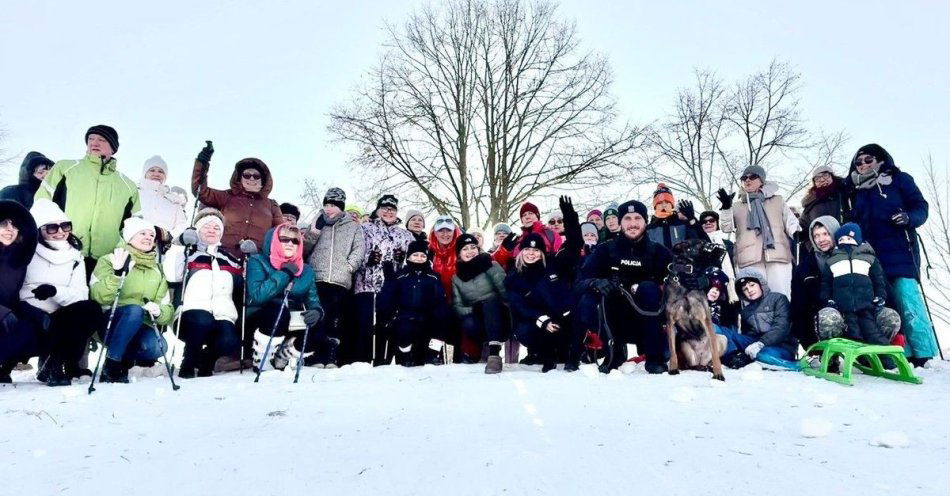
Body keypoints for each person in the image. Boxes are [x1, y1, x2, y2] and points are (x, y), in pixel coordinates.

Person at [845, 144, 936, 366]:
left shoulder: (898, 179)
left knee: (907, 297)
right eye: (859, 162)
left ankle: (924, 352)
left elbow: (920, 206)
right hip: (872, 255)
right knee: (886, 303)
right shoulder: (855, 191)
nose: (864, 165)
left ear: (881, 160)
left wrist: (909, 217)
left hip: (900, 249)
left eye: (869, 160)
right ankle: (900, 352)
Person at [576, 200, 671, 373]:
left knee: (649, 288)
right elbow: (580, 281)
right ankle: (614, 351)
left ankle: (654, 357)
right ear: (620, 222)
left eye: (637, 218)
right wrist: (595, 282)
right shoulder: (605, 250)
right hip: (614, 317)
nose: (632, 223)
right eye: (627, 218)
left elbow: (680, 279)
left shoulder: (660, 252)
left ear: (646, 221)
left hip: (650, 320)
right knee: (589, 300)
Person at [16, 200, 104, 385]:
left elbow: (80, 293)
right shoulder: (26, 250)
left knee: (91, 309)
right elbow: (19, 285)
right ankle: (53, 364)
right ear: (39, 229)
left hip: (61, 310)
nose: (60, 232)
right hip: (30, 309)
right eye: (52, 228)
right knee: (56, 323)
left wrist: (54, 291)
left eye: (65, 225)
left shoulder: (75, 256)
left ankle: (53, 364)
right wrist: (37, 295)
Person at [35, 125, 141, 274]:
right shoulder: (65, 168)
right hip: (65, 250)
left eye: (101, 139)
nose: (94, 143)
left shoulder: (128, 185)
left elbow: (135, 223)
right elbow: (42, 202)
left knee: (98, 297)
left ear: (113, 147)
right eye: (90, 139)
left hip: (106, 258)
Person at [89, 217, 174, 383]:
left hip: (141, 324)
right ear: (129, 237)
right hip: (111, 321)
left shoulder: (157, 270)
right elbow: (97, 296)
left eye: (151, 235)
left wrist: (158, 311)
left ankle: (123, 359)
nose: (148, 237)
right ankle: (112, 365)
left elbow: (167, 310)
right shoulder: (109, 260)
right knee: (134, 309)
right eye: (142, 233)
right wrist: (116, 276)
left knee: (158, 346)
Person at [166, 208, 243, 378]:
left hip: (222, 314)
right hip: (189, 316)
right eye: (207, 227)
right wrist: (179, 244)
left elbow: (241, 284)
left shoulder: (229, 258)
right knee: (203, 320)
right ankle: (189, 360)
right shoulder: (188, 253)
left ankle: (205, 361)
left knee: (230, 341)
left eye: (216, 228)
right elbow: (172, 274)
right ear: (197, 229)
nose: (212, 231)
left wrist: (251, 258)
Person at [246, 223, 323, 371]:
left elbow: (312, 298)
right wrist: (284, 273)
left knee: (319, 328)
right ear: (274, 240)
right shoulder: (258, 261)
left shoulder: (306, 270)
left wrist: (317, 311)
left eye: (295, 241)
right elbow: (257, 296)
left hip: (292, 317)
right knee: (278, 311)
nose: (290, 243)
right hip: (263, 316)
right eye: (284, 239)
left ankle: (284, 355)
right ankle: (262, 358)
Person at [302, 187, 364, 368]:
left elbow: (359, 249)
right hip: (317, 278)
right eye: (326, 204)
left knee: (334, 319)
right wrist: (314, 232)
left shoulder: (353, 226)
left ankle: (331, 356)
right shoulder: (316, 223)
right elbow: (304, 249)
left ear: (341, 207)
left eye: (334, 205)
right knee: (317, 316)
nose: (329, 209)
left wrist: (349, 266)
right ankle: (316, 355)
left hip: (339, 280)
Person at [717, 165, 800, 298]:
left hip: (777, 254)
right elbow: (726, 227)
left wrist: (796, 232)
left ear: (762, 180)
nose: (747, 180)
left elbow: (791, 221)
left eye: (752, 177)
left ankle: (783, 319)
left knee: (781, 296)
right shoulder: (737, 206)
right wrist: (726, 208)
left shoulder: (777, 200)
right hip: (748, 258)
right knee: (755, 300)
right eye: (744, 178)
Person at [504, 233, 582, 372]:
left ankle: (571, 353)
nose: (531, 253)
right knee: (525, 330)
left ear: (542, 253)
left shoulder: (554, 264)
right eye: (527, 249)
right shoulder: (513, 277)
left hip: (561, 316)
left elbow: (575, 245)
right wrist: (543, 320)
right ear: (521, 252)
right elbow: (519, 305)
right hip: (535, 320)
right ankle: (544, 355)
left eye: (536, 250)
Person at [190, 141, 283, 258]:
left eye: (256, 176)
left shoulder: (271, 205)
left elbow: (282, 232)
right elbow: (200, 191)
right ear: (239, 178)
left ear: (263, 180)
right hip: (223, 256)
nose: (252, 178)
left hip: (256, 261)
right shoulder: (227, 196)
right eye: (247, 175)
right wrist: (202, 163)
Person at [353, 195, 414, 365]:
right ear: (377, 210)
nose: (388, 211)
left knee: (387, 325)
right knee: (366, 326)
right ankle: (363, 362)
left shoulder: (405, 235)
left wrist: (403, 259)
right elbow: (354, 253)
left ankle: (385, 361)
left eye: (392, 209)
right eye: (385, 208)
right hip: (367, 285)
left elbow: (417, 258)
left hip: (393, 287)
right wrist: (368, 259)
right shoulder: (364, 229)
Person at [819, 223, 897, 348]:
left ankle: (888, 360)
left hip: (866, 305)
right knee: (853, 333)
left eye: (849, 239)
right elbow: (826, 283)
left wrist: (880, 296)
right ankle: (859, 359)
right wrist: (828, 299)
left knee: (872, 332)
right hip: (844, 306)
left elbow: (878, 280)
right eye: (841, 240)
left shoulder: (869, 259)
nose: (845, 242)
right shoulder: (832, 261)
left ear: (858, 240)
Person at [377, 240, 453, 366]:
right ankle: (405, 355)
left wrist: (440, 312)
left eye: (423, 256)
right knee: (404, 328)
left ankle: (432, 355)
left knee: (442, 320)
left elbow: (440, 299)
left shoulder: (433, 276)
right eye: (415, 255)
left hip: (427, 317)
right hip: (406, 315)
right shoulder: (401, 275)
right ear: (408, 257)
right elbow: (389, 297)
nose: (419, 258)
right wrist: (386, 313)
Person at [717, 268, 800, 371]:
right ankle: (733, 357)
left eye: (752, 285)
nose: (750, 290)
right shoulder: (746, 311)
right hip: (755, 342)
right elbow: (747, 335)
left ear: (761, 284)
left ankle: (795, 366)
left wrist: (761, 344)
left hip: (781, 345)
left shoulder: (778, 299)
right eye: (745, 289)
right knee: (723, 331)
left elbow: (781, 327)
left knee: (763, 356)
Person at [452, 233, 509, 373]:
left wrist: (490, 270)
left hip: (499, 314)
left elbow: (506, 292)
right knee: (468, 322)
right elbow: (457, 306)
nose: (470, 251)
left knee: (490, 302)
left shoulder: (490, 263)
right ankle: (483, 348)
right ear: (459, 253)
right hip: (479, 319)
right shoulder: (457, 277)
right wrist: (473, 310)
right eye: (465, 249)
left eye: (473, 247)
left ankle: (494, 355)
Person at [0, 200, 39, 383]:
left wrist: (30, 310)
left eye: (15, 225)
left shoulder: (17, 259)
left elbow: (12, 295)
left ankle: (3, 368)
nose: (10, 229)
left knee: (29, 327)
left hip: (6, 314)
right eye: (4, 223)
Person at [789, 215, 840, 350]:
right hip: (822, 325)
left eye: (825, 234)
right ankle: (829, 357)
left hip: (856, 319)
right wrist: (807, 341)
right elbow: (798, 308)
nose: (821, 240)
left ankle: (876, 355)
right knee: (829, 316)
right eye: (816, 236)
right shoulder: (804, 268)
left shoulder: (854, 257)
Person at [491, 202, 562, 269]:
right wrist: (503, 250)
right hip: (519, 277)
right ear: (522, 220)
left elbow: (560, 257)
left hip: (544, 277)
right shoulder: (518, 240)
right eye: (524, 215)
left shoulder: (550, 234)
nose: (527, 217)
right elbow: (496, 263)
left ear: (537, 216)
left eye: (530, 213)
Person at [646, 183, 708, 250]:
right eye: (660, 203)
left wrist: (692, 219)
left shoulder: (683, 224)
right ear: (655, 206)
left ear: (672, 205)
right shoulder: (649, 229)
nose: (664, 205)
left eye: (667, 202)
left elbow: (704, 243)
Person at [799, 166, 848, 241]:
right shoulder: (810, 204)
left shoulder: (846, 193)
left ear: (832, 176)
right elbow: (803, 227)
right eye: (817, 179)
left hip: (846, 241)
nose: (822, 180)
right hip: (821, 246)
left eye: (825, 175)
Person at [699, 210, 737, 302]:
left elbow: (734, 263)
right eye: (704, 221)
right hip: (706, 285)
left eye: (711, 220)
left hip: (727, 283)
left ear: (717, 223)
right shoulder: (698, 244)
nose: (708, 223)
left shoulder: (728, 243)